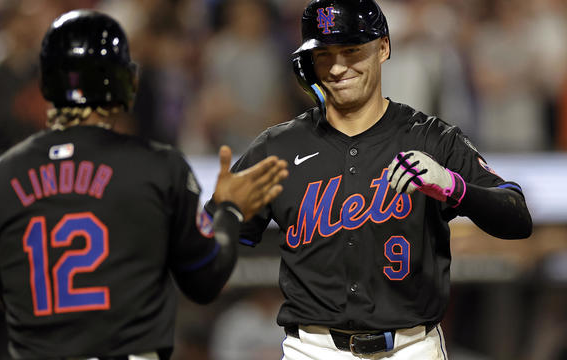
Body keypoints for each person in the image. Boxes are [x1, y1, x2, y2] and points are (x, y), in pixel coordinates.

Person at [205, 0, 533, 359]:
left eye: (351, 50)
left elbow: (517, 217)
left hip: (412, 347)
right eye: (325, 54)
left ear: (383, 48)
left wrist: (455, 188)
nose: (338, 66)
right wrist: (222, 214)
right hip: (313, 350)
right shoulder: (278, 147)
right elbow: (204, 250)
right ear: (307, 62)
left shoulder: (431, 139)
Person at [0, 9, 288, 360]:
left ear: (48, 81)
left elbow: (4, 285)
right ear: (121, 80)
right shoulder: (156, 166)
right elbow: (205, 280)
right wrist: (229, 209)